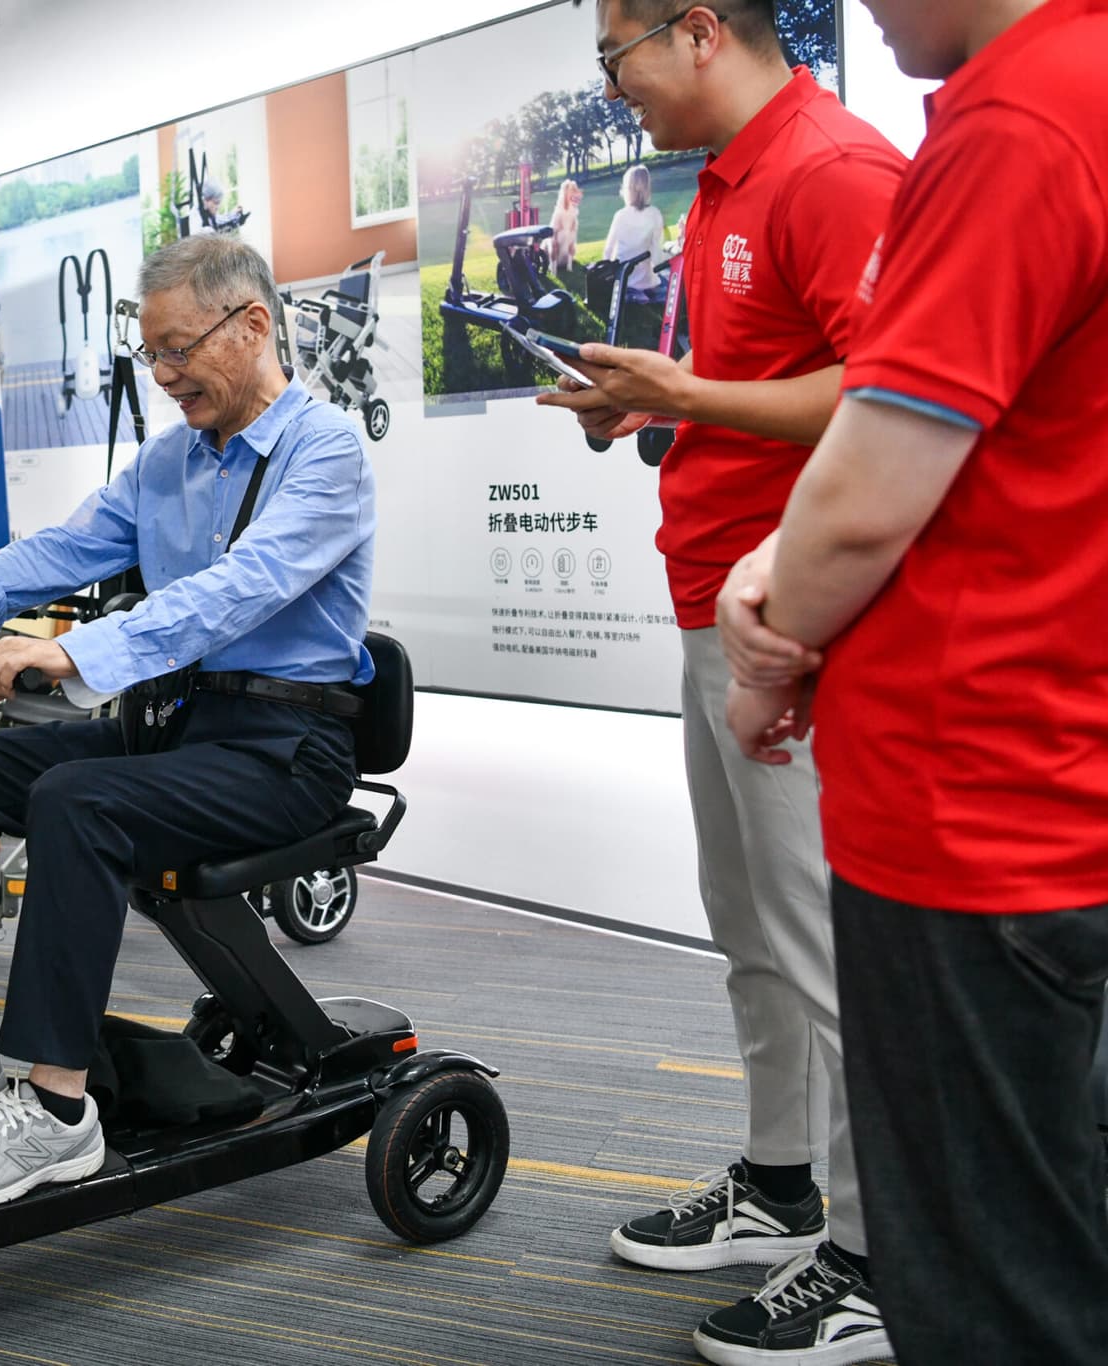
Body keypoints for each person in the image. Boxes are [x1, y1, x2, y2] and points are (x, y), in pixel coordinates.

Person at [0, 234, 374, 1208]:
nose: (163, 376)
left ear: (251, 326)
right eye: (150, 354)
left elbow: (237, 589)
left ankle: (56, 1110)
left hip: (283, 751)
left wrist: (75, 652)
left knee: (75, 799)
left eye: (178, 350)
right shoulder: (169, 462)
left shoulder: (322, 452)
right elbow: (65, 545)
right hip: (176, 729)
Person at [717, 0, 1108, 1360]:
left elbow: (874, 490)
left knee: (992, 1289)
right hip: (1053, 770)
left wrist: (768, 641)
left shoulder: (1020, 118)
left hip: (978, 805)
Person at [538, 5, 907, 1363]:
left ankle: (876, 1254)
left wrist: (689, 392)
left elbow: (891, 383)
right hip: (715, 601)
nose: (613, 91)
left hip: (797, 624)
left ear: (696, 31)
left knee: (825, 945)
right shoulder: (728, 182)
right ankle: (781, 1178)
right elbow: (770, 378)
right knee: (751, 922)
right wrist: (659, 402)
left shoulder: (829, 165)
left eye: (614, 56)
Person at [602, 164, 665, 300]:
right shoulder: (655, 214)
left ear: (627, 189)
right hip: (646, 281)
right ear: (647, 188)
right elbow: (657, 257)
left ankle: (633, 293)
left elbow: (608, 251)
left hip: (622, 279)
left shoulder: (620, 215)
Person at [548, 178, 584, 276]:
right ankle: (553, 269)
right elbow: (553, 237)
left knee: (571, 242)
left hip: (566, 246)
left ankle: (569, 266)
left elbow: (573, 236)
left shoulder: (574, 210)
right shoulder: (559, 211)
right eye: (572, 190)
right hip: (555, 248)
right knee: (553, 242)